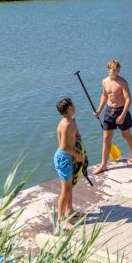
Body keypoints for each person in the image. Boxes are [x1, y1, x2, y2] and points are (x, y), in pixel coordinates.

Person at [93, 59, 132, 174]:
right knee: (106, 138)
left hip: (121, 110)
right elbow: (104, 96)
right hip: (109, 111)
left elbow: (128, 99)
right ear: (108, 69)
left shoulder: (122, 82)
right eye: (114, 70)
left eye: (118, 70)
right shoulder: (104, 82)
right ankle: (104, 164)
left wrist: (123, 115)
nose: (116, 72)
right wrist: (99, 110)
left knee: (126, 135)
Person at [53, 97, 85, 231]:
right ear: (69, 109)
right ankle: (60, 220)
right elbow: (64, 146)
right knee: (65, 190)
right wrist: (78, 156)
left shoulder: (72, 120)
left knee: (70, 186)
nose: (75, 107)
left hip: (71, 155)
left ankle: (70, 211)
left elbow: (77, 136)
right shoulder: (65, 124)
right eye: (73, 105)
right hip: (64, 158)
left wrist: (78, 149)